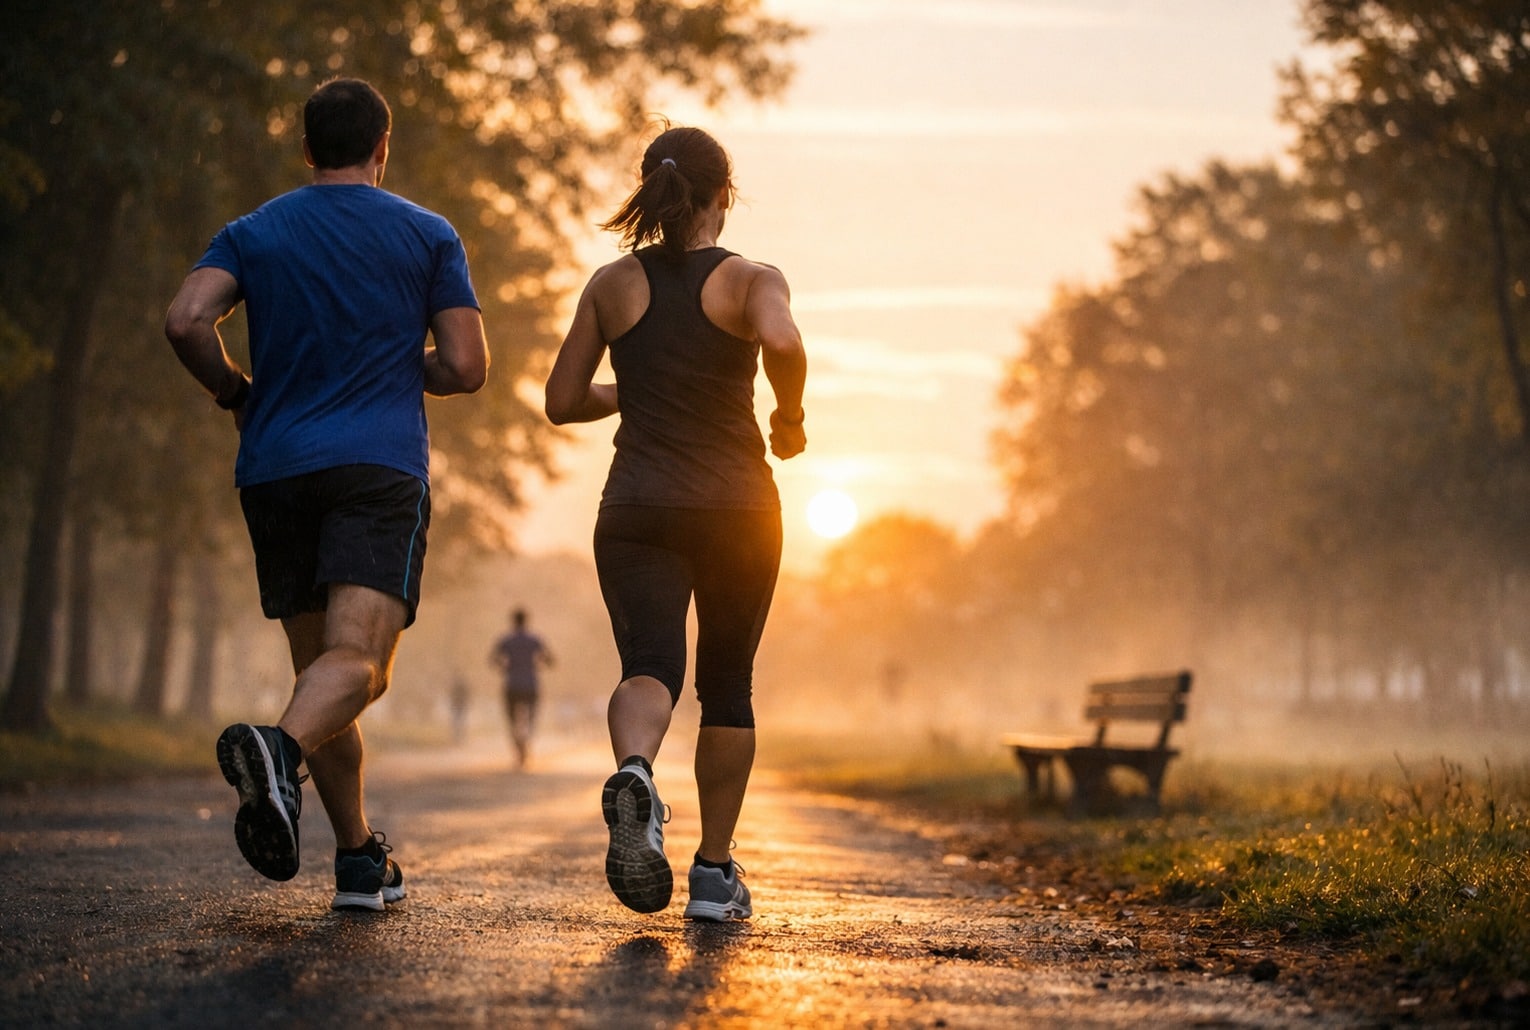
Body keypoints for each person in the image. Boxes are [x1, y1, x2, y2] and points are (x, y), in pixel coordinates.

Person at [164, 77, 489, 912]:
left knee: (321, 672)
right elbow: (465, 366)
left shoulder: (253, 230)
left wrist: (235, 392)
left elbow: (186, 321)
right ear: (384, 147)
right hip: (375, 467)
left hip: (274, 466)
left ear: (306, 149)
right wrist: (385, 362)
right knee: (359, 669)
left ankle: (356, 858)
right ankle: (278, 753)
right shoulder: (426, 233)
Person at [544, 125, 808, 921]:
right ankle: (713, 874)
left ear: (653, 190)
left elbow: (561, 402)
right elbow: (785, 342)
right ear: (723, 195)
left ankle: (636, 771)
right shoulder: (753, 279)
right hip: (738, 511)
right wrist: (788, 418)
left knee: (648, 666)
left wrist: (640, 387)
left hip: (637, 509)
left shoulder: (611, 285)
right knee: (726, 685)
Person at [489, 608, 554, 768]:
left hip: (512, 684)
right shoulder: (534, 640)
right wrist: (538, 664)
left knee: (511, 719)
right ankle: (526, 739)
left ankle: (518, 745)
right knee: (531, 716)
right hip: (531, 684)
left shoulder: (506, 640)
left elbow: (493, 659)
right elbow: (550, 659)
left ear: (513, 621)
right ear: (526, 620)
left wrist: (504, 667)